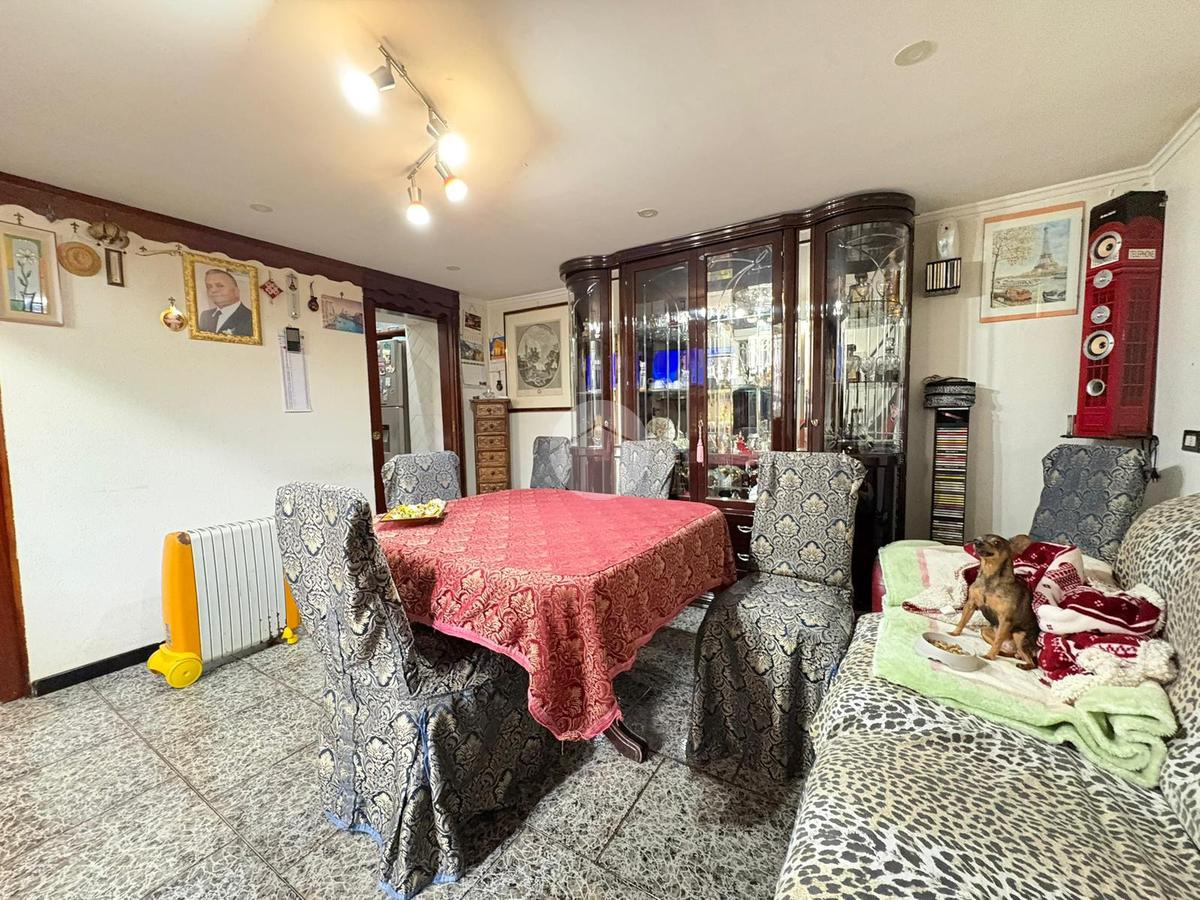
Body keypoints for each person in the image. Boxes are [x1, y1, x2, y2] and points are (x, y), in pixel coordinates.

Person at [198, 268, 253, 336]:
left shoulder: (250, 317)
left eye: (220, 286)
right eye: (209, 287)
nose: (213, 290)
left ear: (236, 291)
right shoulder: (205, 315)